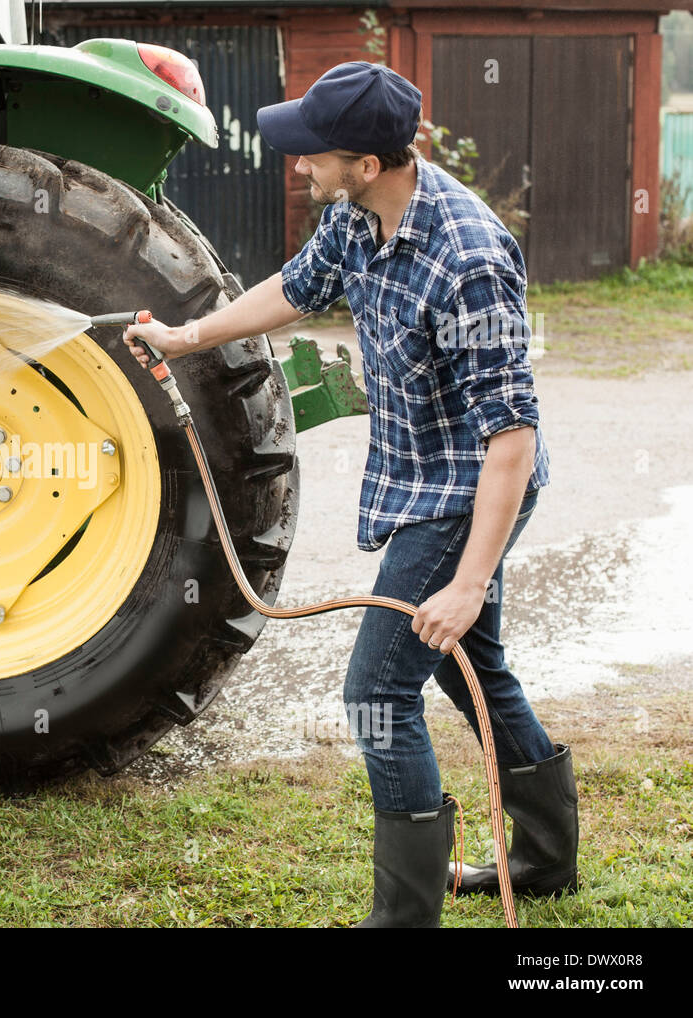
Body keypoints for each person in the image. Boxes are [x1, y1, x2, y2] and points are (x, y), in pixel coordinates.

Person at [123, 61, 579, 928]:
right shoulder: (357, 218)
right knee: (476, 670)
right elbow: (294, 288)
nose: (299, 165)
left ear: (367, 163)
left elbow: (511, 441)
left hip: (466, 495)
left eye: (313, 153)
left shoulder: (469, 261)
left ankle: (403, 916)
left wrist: (467, 582)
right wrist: (188, 336)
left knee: (376, 693)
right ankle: (547, 861)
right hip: (420, 483)